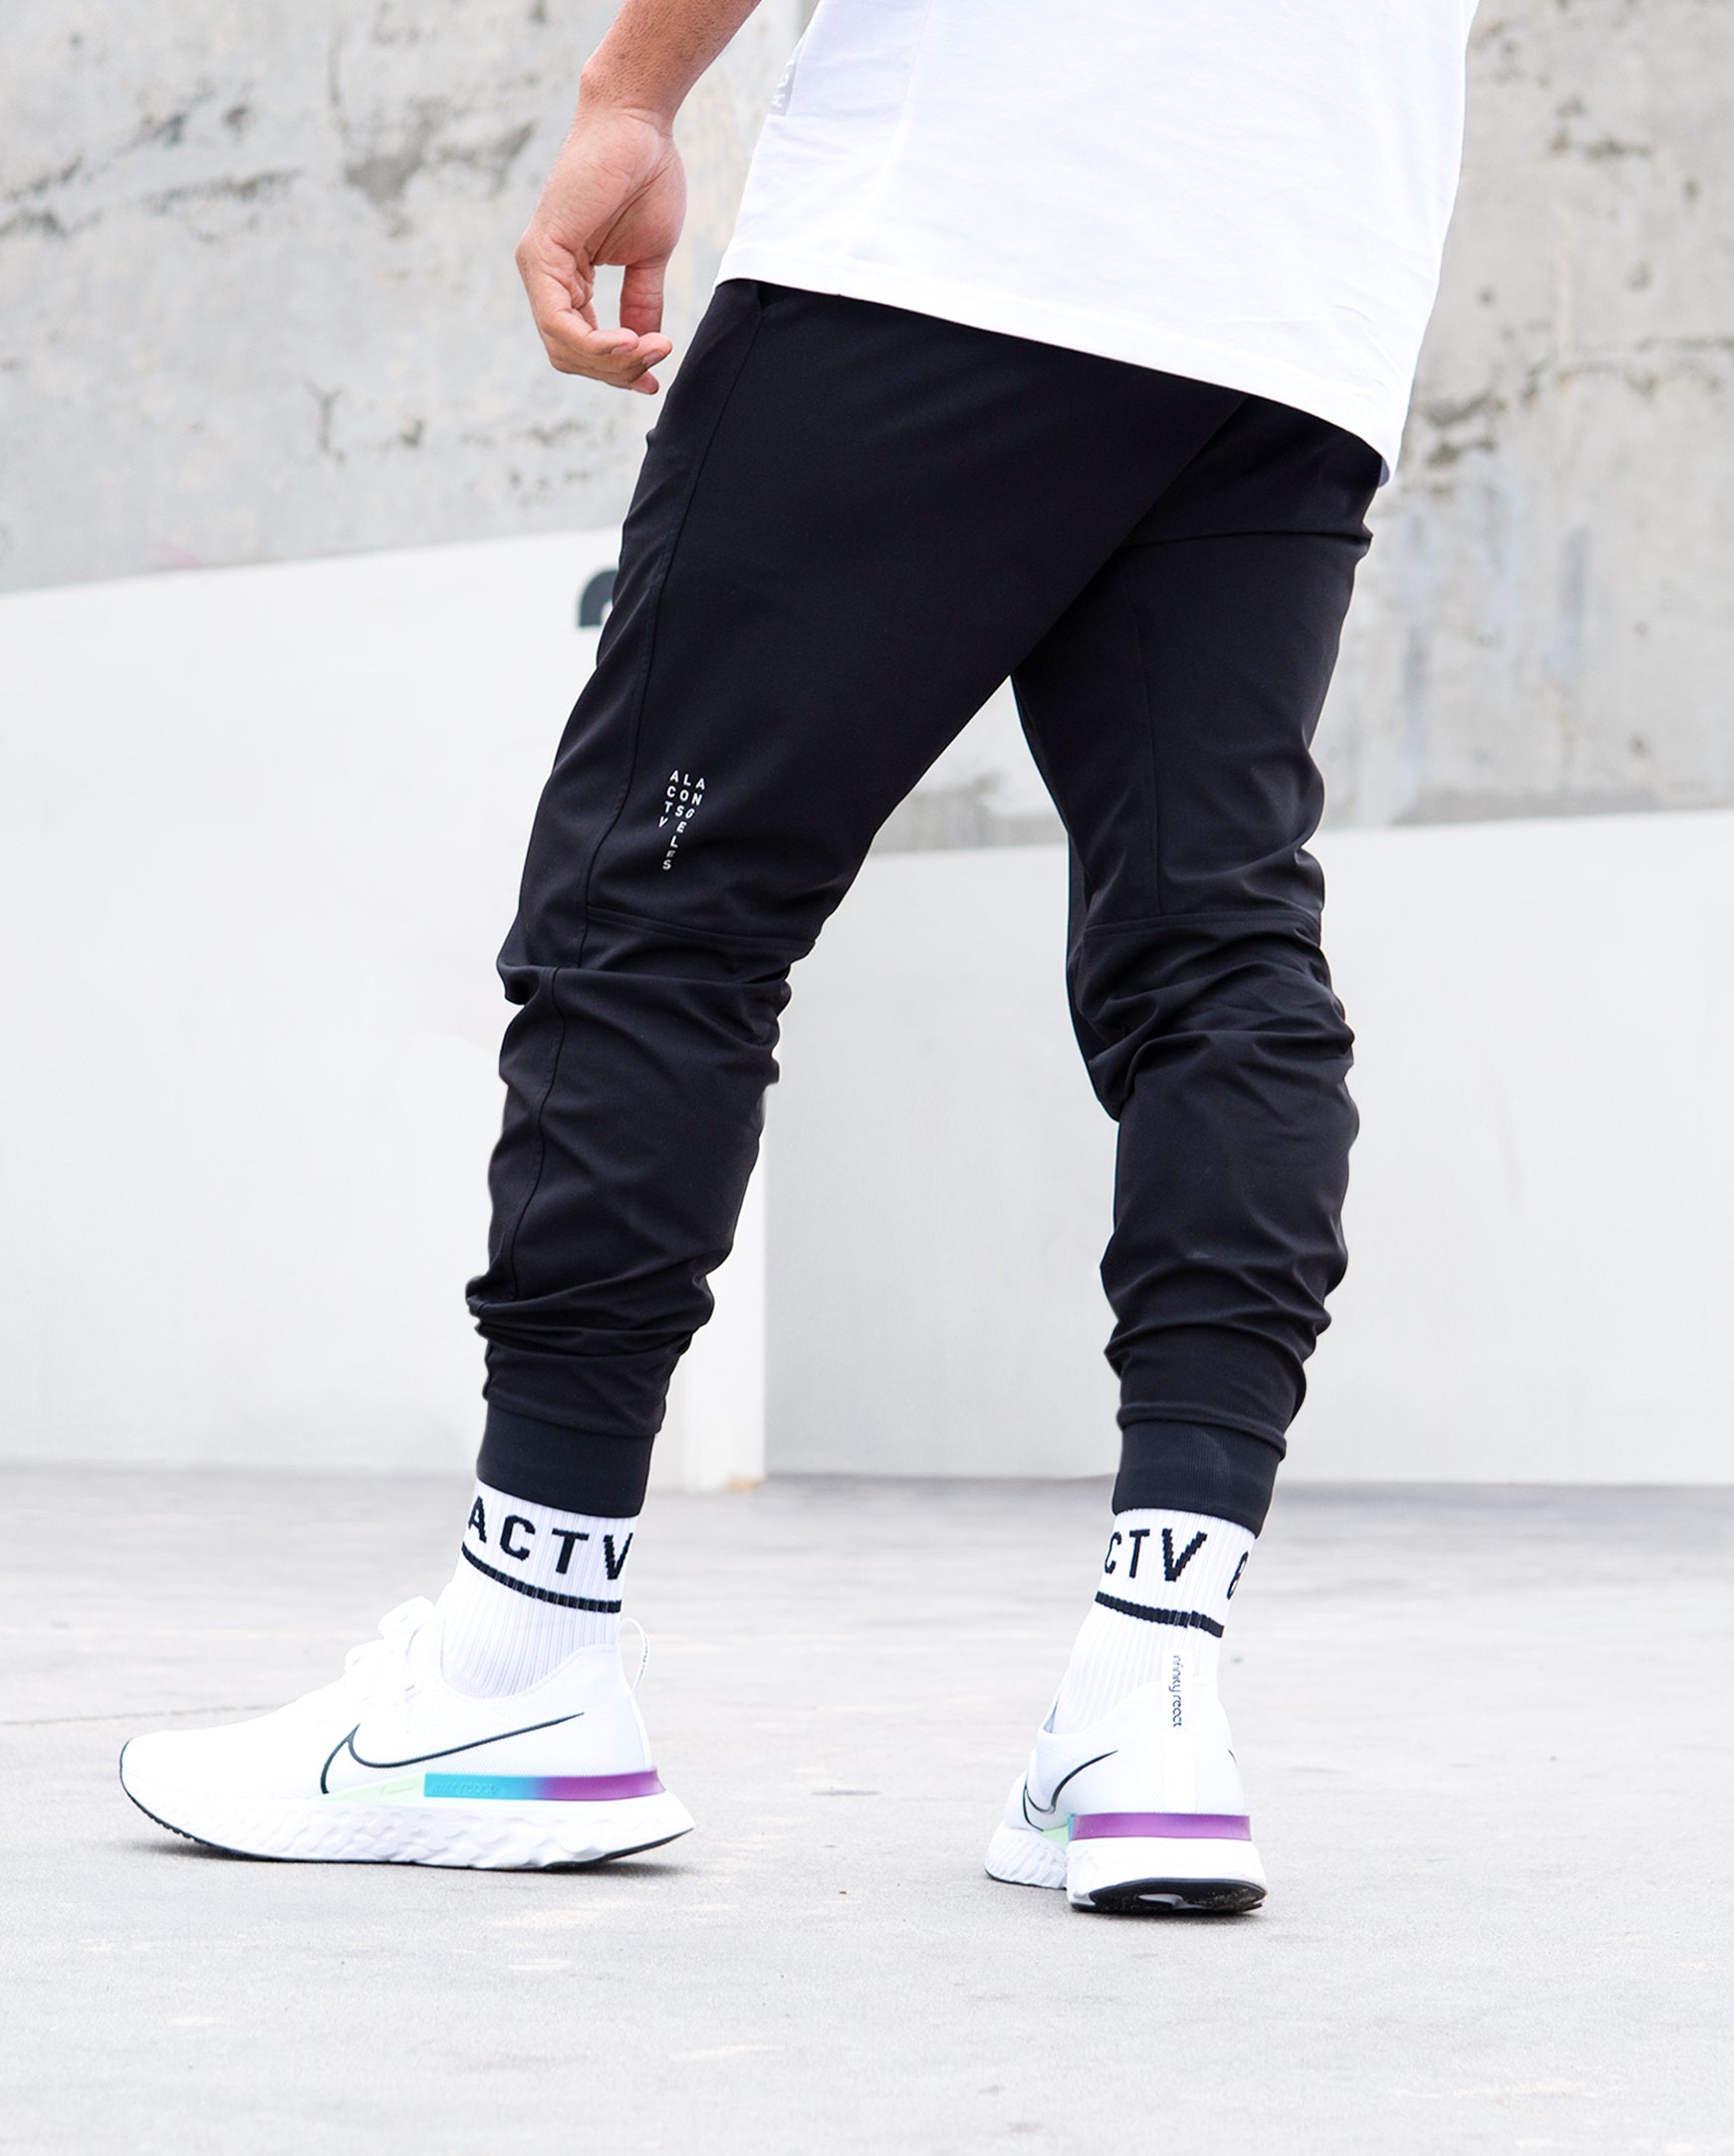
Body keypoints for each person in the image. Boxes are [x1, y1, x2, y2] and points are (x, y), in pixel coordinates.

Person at [121, 0, 1478, 1910]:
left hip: (957, 233)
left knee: (663, 901)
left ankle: (517, 1666)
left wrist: (630, 93)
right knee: (1216, 943)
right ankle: (1150, 1704)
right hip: (1297, 291)